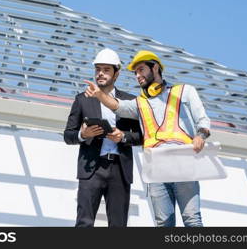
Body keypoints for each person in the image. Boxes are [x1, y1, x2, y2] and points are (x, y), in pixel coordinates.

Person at [84, 50, 211, 227]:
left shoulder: (184, 91)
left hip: (183, 162)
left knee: (192, 219)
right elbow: (118, 106)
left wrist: (200, 136)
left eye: (141, 70)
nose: (138, 75)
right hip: (156, 166)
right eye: (135, 72)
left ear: (155, 68)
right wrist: (100, 95)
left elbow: (203, 120)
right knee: (163, 223)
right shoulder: (140, 103)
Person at [64, 48, 142, 227]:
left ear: (117, 73)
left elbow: (142, 137)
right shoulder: (82, 99)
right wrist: (83, 135)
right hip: (91, 169)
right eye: (98, 69)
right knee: (84, 223)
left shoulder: (130, 102)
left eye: (106, 70)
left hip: (119, 170)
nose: (101, 73)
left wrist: (123, 136)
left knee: (118, 225)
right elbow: (68, 135)